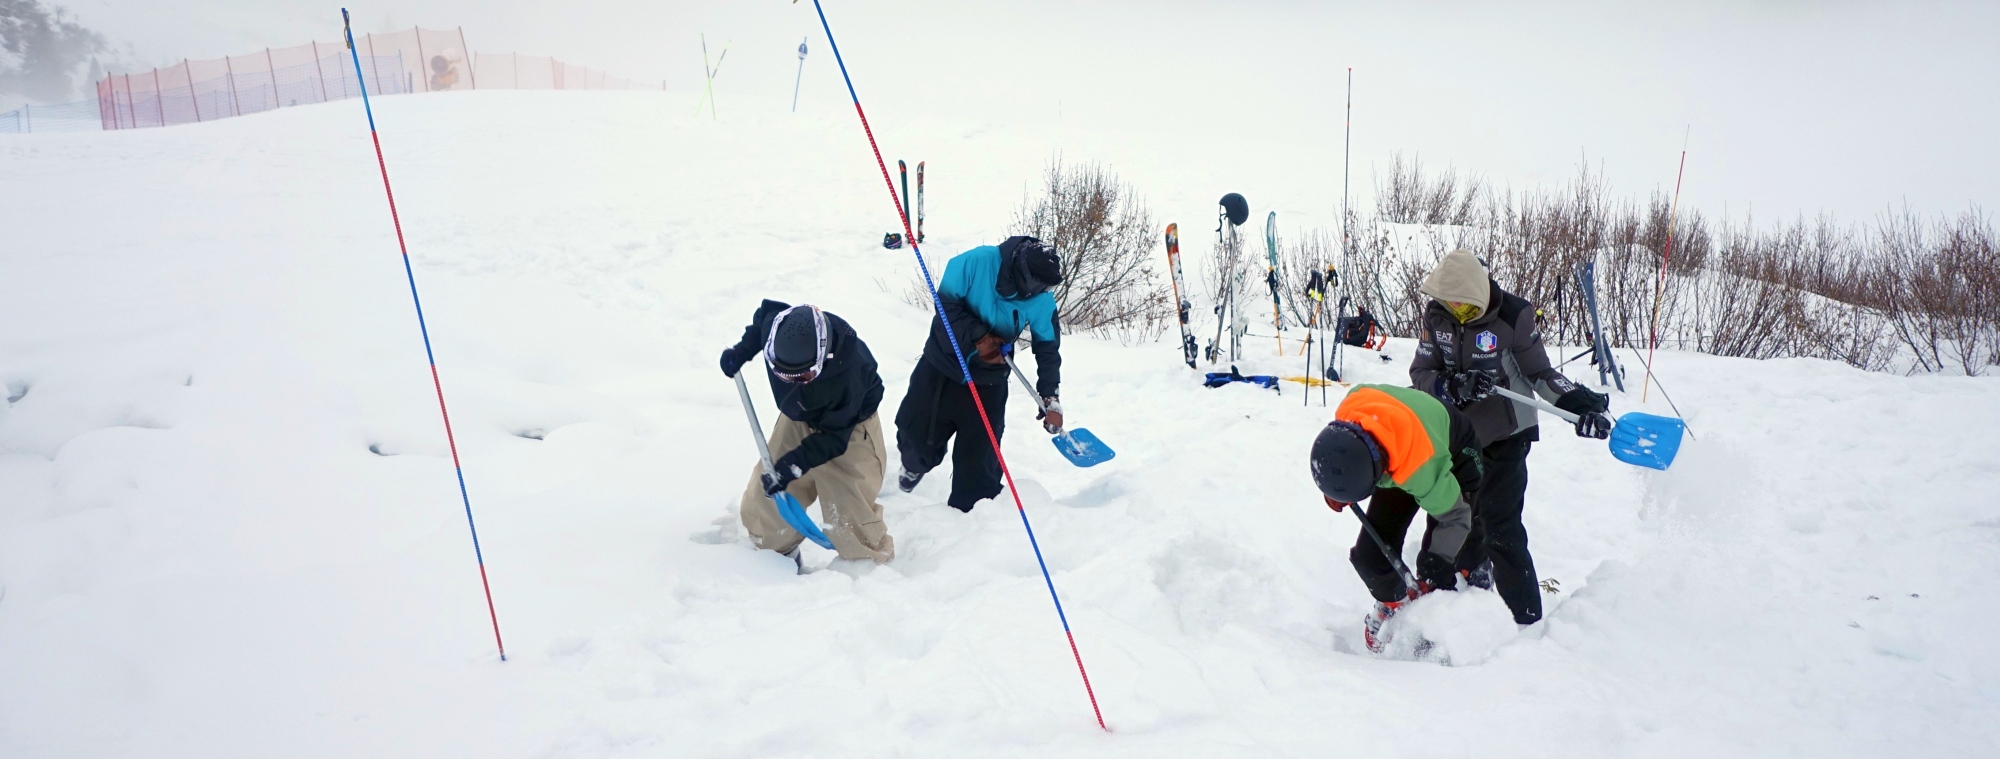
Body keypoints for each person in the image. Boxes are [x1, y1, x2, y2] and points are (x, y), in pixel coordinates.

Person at [1408, 249, 1611, 625]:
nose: (1455, 309)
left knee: (1500, 525)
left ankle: (1526, 620)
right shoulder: (1436, 316)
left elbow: (1540, 373)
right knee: (1450, 515)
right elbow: (1421, 373)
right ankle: (1443, 603)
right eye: (1447, 302)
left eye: (1463, 304)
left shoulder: (1513, 316)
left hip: (1507, 433)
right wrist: (1452, 385)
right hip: (1457, 433)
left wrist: (1579, 404)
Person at [893, 236, 1065, 512]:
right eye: (1035, 284)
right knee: (916, 439)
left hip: (990, 380)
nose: (1037, 292)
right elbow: (945, 307)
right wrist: (979, 337)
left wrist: (1049, 395)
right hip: (942, 366)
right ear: (1020, 268)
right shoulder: (976, 262)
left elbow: (1047, 348)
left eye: (1044, 287)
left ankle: (969, 528)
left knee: (979, 469)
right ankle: (914, 466)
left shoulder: (1042, 298)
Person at [720, 300, 895, 569]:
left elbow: (834, 439)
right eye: (785, 376)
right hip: (799, 415)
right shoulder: (778, 329)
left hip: (847, 427)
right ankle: (775, 557)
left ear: (823, 357)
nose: (793, 382)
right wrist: (742, 351)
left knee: (849, 512)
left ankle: (868, 572)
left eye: (804, 376)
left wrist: (793, 465)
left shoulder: (850, 372)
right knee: (766, 500)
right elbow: (762, 320)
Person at [1311, 382, 1485, 652]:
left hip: (1455, 448)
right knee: (1370, 556)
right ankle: (1397, 606)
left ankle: (1458, 605)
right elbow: (1337, 461)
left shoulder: (1418, 468)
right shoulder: (1347, 415)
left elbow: (1455, 517)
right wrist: (1339, 488)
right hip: (1398, 438)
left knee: (1442, 562)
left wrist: (1434, 569)